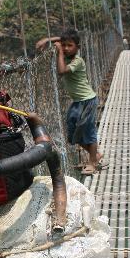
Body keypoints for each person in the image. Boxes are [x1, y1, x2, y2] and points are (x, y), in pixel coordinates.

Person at [36, 30, 102, 175]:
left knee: (88, 131)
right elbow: (62, 39)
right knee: (73, 135)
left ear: (77, 47)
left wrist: (59, 51)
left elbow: (61, 71)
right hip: (77, 102)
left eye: (69, 46)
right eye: (64, 45)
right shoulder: (66, 55)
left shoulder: (77, 61)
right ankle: (96, 154)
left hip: (87, 101)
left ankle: (92, 163)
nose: (66, 48)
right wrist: (47, 40)